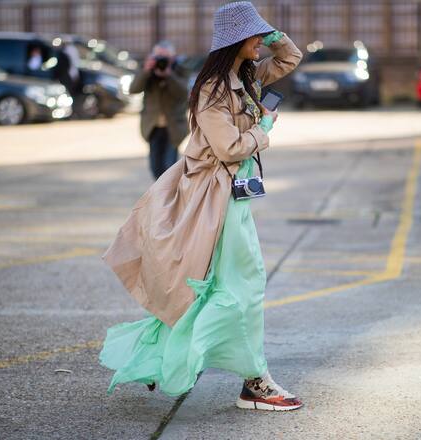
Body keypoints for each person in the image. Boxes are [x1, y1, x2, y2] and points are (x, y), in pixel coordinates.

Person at [99, 1, 303, 411]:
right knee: (238, 285)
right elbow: (228, 148)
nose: (263, 41)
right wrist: (263, 128)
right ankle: (253, 383)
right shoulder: (213, 90)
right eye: (256, 35)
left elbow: (291, 57)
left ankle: (234, 376)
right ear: (237, 41)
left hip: (231, 195)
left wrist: (274, 35)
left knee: (231, 285)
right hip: (214, 196)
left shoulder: (247, 76)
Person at [130, 41, 188, 179]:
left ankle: (169, 196)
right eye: (158, 57)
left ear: (173, 58)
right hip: (152, 126)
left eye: (165, 58)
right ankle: (161, 195)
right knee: (155, 167)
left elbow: (184, 93)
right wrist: (146, 71)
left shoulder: (180, 70)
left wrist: (169, 75)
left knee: (170, 167)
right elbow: (133, 89)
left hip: (173, 127)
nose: (161, 61)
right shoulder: (147, 71)